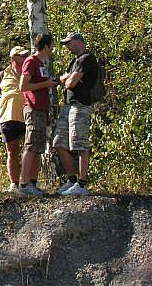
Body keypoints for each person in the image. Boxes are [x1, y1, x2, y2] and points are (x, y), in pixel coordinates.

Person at [53, 33, 99, 196]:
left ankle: (82, 184)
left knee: (79, 143)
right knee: (59, 142)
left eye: (69, 43)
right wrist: (67, 79)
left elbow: (69, 82)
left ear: (79, 41)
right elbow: (64, 80)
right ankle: (72, 180)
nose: (67, 46)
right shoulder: (74, 61)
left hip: (81, 105)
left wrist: (67, 79)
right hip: (68, 106)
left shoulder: (86, 58)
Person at [18, 33, 58, 196]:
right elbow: (23, 86)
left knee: (38, 146)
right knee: (31, 144)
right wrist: (46, 84)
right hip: (33, 109)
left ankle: (32, 183)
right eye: (52, 46)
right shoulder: (31, 61)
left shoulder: (42, 63)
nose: (52, 49)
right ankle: (24, 183)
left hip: (42, 110)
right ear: (46, 46)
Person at [0, 46, 29, 194]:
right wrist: (5, 103)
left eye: (25, 55)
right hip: (7, 118)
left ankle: (27, 184)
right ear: (13, 58)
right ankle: (14, 184)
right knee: (12, 152)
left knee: (29, 151)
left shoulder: (29, 72)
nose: (24, 58)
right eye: (21, 56)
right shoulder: (1, 75)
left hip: (28, 117)